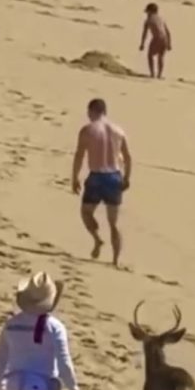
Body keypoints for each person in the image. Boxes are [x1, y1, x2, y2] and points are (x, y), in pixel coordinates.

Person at [0, 272, 83, 390]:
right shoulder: (54, 326)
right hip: (38, 388)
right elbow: (64, 361)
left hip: (13, 386)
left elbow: (0, 357)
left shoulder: (12, 324)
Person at [71, 98, 132, 268]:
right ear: (105, 112)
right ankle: (115, 260)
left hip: (97, 177)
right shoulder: (118, 131)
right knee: (114, 223)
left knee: (86, 212)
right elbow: (127, 157)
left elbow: (79, 155)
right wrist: (127, 178)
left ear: (92, 111)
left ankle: (97, 239)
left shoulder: (87, 130)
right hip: (114, 177)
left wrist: (74, 177)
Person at [138, 3, 172, 79]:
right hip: (165, 38)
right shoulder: (162, 18)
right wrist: (169, 43)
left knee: (150, 55)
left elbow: (144, 33)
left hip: (157, 38)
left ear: (151, 12)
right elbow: (168, 32)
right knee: (161, 56)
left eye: (147, 12)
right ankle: (159, 75)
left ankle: (152, 74)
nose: (147, 14)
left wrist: (142, 44)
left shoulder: (148, 20)